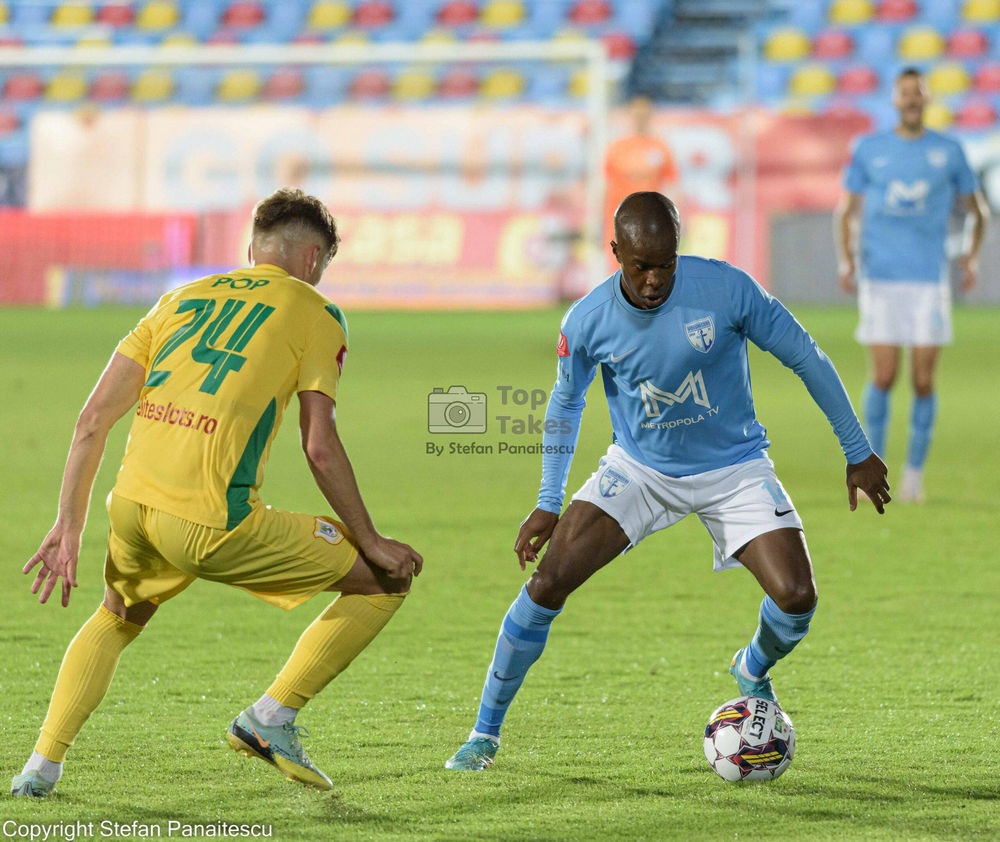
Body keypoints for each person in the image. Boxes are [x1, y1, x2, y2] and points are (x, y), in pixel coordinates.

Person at [445, 191, 889, 771]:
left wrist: (857, 451)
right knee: (548, 582)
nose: (654, 279)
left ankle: (751, 667)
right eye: (641, 266)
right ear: (615, 253)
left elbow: (805, 355)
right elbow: (565, 403)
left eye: (665, 264)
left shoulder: (728, 289)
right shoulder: (588, 320)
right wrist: (548, 501)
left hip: (734, 468)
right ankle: (483, 734)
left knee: (797, 598)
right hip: (640, 471)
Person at [12, 188, 423, 798]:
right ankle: (271, 717)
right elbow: (319, 445)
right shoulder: (317, 313)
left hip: (133, 508)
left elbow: (92, 420)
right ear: (313, 258)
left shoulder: (178, 298)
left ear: (252, 249)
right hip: (211, 522)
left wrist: (68, 524)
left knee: (116, 618)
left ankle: (38, 770)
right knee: (387, 578)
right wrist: (371, 538)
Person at [834, 67, 988, 503]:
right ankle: (873, 473)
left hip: (928, 281)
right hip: (881, 278)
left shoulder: (949, 150)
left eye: (918, 93)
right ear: (894, 99)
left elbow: (978, 211)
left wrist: (971, 257)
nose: (912, 100)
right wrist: (847, 258)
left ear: (928, 99)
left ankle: (914, 477)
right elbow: (846, 210)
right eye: (905, 93)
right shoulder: (869, 148)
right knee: (883, 376)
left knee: (922, 381)